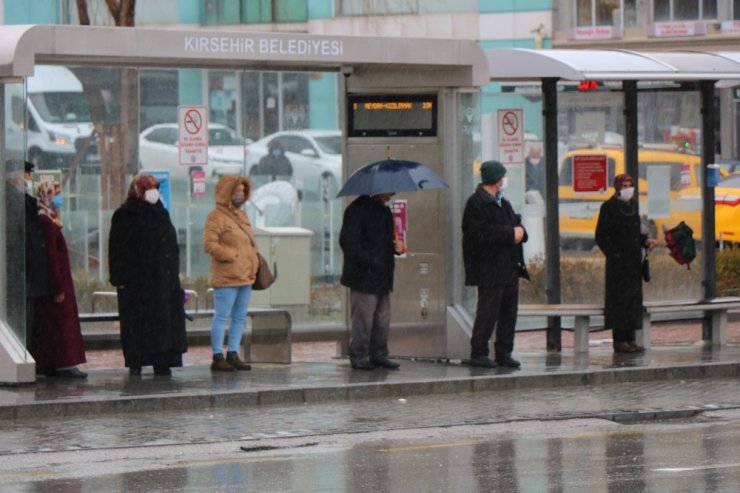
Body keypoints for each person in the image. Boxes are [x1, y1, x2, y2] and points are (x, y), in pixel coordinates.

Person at [109, 174, 187, 376]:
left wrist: (172, 275)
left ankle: (162, 361)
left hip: (163, 281)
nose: (154, 192)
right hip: (137, 283)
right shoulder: (125, 214)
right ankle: (137, 361)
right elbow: (116, 249)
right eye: (149, 188)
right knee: (138, 325)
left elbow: (170, 245)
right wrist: (119, 278)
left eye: (155, 188)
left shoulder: (160, 213)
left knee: (163, 324)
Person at [462, 160, 528, 369]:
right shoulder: (476, 203)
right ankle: (479, 352)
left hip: (508, 266)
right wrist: (511, 233)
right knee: (488, 311)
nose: (504, 180)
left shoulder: (503, 202)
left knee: (509, 312)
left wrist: (521, 233)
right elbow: (479, 233)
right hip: (489, 267)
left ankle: (504, 352)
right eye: (502, 176)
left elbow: (516, 226)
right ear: (497, 179)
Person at [339, 192, 405, 370]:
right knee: (363, 318)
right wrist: (371, 261)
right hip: (364, 275)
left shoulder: (383, 211)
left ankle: (379, 353)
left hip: (382, 274)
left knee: (382, 318)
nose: (392, 194)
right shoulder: (357, 210)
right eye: (389, 190)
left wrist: (394, 247)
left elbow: (381, 242)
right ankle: (359, 354)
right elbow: (348, 243)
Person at [28, 180, 87, 378]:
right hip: (57, 279)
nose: (54, 198)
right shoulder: (44, 219)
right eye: (52, 194)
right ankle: (60, 362)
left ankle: (59, 362)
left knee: (57, 323)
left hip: (59, 277)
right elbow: (51, 254)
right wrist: (57, 285)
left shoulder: (48, 216)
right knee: (58, 324)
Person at [595, 173, 658, 354]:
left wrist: (644, 240)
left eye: (630, 184)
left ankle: (630, 338)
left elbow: (634, 233)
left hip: (633, 264)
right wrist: (615, 255)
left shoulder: (632, 206)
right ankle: (619, 339)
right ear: (617, 187)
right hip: (617, 266)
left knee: (632, 301)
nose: (628, 188)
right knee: (619, 301)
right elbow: (601, 236)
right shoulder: (608, 207)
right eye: (624, 185)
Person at [203, 175, 257, 372]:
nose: (240, 195)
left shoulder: (242, 215)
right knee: (222, 316)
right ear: (227, 193)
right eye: (236, 191)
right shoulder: (216, 217)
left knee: (239, 317)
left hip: (245, 275)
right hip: (227, 276)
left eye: (243, 191)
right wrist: (230, 255)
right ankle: (217, 356)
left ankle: (233, 353)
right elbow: (209, 244)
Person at [22, 161, 50, 340]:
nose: (29, 179)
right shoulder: (16, 202)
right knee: (26, 323)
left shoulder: (28, 202)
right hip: (25, 274)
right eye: (27, 174)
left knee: (31, 322)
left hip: (31, 275)